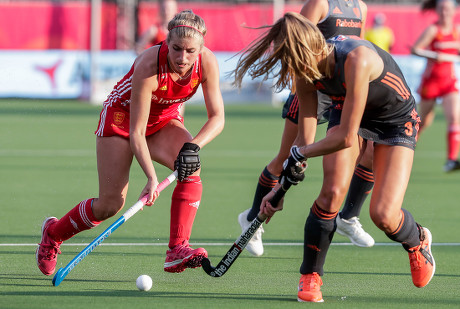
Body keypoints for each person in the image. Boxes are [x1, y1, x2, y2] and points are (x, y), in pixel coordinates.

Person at [232, 12, 435, 302]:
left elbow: (344, 138)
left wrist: (299, 153)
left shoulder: (356, 59)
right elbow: (305, 140)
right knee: (331, 192)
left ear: (307, 51)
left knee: (384, 215)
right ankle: (310, 276)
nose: (292, 72)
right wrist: (280, 188)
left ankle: (418, 240)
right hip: (347, 106)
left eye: (292, 62)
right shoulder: (305, 73)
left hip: (394, 119)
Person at [36, 10, 225, 276]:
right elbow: (137, 132)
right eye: (176, 49)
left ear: (201, 48)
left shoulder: (206, 63)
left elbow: (217, 118)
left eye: (190, 51)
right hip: (122, 120)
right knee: (110, 204)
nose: (183, 58)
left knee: (191, 168)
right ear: (166, 42)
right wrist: (150, 177)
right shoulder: (149, 64)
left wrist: (193, 147)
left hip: (162, 120)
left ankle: (177, 249)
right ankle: (53, 234)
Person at [238, 0, 374, 258]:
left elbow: (360, 46)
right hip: (311, 88)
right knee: (286, 158)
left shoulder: (361, 7)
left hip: (342, 92)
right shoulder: (320, 3)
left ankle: (348, 217)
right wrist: (297, 90)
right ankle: (252, 219)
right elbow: (295, 43)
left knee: (366, 152)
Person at [411, 0, 460, 172]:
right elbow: (415, 49)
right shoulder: (433, 30)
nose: (444, 12)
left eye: (448, 9)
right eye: (441, 9)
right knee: (423, 122)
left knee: (455, 117)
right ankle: (405, 150)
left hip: (449, 82)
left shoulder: (457, 31)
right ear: (437, 11)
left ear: (454, 11)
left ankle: (451, 160)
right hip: (431, 82)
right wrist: (433, 55)